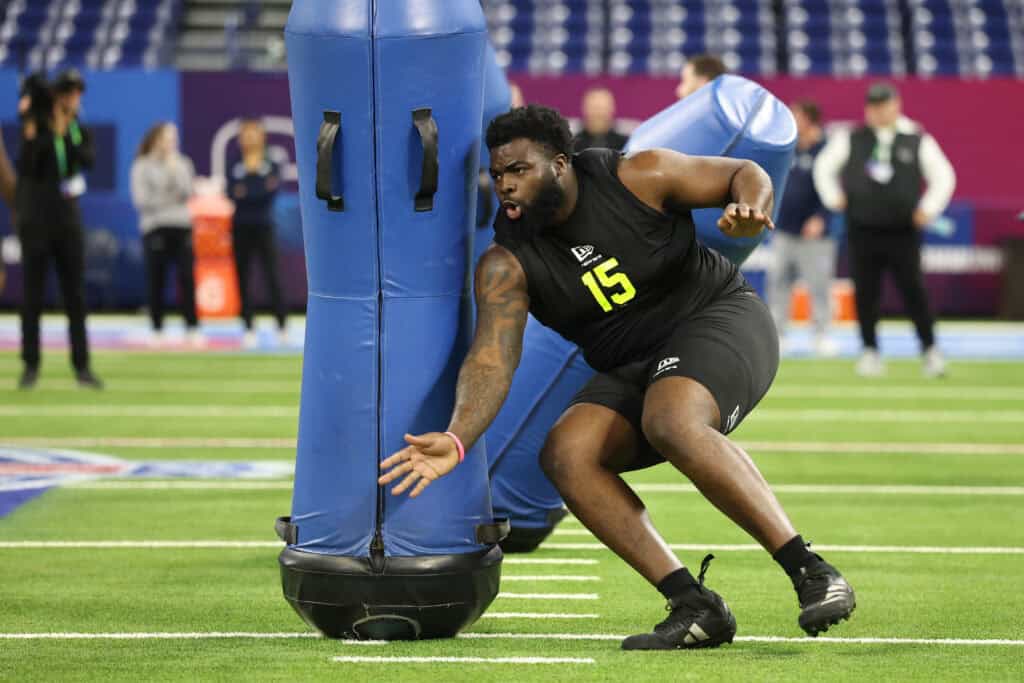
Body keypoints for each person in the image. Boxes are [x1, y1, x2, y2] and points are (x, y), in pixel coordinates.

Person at [379, 105, 855, 649]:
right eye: (499, 174)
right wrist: (458, 436)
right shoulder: (506, 263)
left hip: (715, 319)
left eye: (520, 170)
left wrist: (751, 206)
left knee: (671, 420)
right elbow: (492, 358)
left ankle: (811, 570)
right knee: (566, 453)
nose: (506, 186)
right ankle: (694, 605)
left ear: (561, 164)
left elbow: (741, 172)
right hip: (633, 362)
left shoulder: (636, 175)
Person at [813, 83, 955, 377]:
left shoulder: (916, 139)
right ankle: (869, 350)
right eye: (873, 106)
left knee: (914, 289)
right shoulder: (850, 138)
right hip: (862, 227)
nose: (877, 112)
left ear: (896, 105)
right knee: (865, 291)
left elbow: (943, 175)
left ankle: (930, 349)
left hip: (902, 230)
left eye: (883, 105)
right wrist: (832, 197)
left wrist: (928, 209)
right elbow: (823, 167)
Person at [15, 72, 102, 389]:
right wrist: (43, 125)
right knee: (33, 294)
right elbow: (30, 164)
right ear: (55, 95)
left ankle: (82, 366)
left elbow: (86, 161)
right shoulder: (35, 125)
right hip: (36, 218)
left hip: (67, 220)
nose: (72, 99)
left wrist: (64, 133)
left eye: (77, 93)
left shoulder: (79, 129)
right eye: (66, 92)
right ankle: (30, 365)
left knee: (75, 296)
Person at [767, 100, 837, 356]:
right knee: (779, 283)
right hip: (785, 228)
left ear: (809, 119)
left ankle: (821, 334)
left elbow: (836, 188)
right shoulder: (788, 148)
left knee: (818, 285)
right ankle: (778, 334)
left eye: (796, 116)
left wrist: (821, 216)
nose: (792, 121)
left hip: (817, 234)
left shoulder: (827, 149)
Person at [131, 122, 203, 347]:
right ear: (155, 139)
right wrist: (170, 198)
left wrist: (174, 171)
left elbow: (188, 192)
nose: (170, 143)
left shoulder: (182, 163)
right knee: (156, 279)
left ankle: (192, 327)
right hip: (155, 228)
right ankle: (157, 328)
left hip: (181, 226)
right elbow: (142, 201)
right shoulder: (141, 166)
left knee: (187, 278)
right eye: (165, 138)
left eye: (173, 138)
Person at [228, 117, 288, 347]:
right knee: (243, 277)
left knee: (273, 276)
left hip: (264, 224)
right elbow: (232, 192)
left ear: (261, 136)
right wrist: (254, 188)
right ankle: (248, 325)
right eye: (245, 133)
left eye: (253, 132)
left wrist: (248, 190)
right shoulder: (234, 161)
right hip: (241, 225)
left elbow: (269, 192)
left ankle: (281, 325)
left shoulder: (271, 161)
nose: (249, 137)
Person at [572, 88, 628, 153]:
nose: (598, 114)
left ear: (612, 109)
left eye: (602, 108)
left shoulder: (626, 144)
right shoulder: (570, 145)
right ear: (584, 109)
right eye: (594, 108)